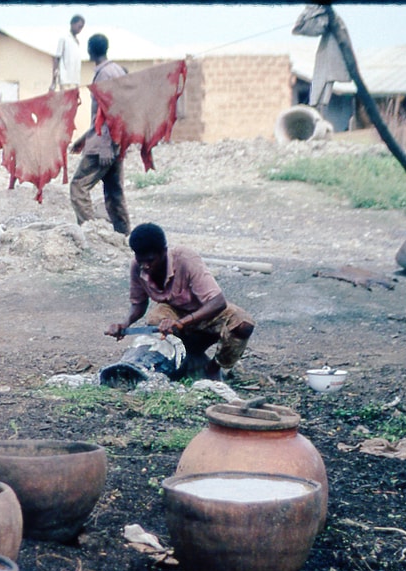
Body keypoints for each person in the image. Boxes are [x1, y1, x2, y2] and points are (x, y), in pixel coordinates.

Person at [106, 222, 255, 380]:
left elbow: (218, 302)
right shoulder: (138, 266)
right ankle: (182, 361)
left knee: (243, 324)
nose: (146, 266)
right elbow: (139, 303)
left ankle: (213, 367)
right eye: (140, 260)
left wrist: (183, 322)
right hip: (173, 309)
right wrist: (125, 323)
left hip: (204, 309)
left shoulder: (186, 258)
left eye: (150, 260)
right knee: (156, 321)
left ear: (163, 252)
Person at [69, 34, 129, 236]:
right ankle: (124, 236)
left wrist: (105, 145)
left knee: (78, 187)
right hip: (115, 140)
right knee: (114, 192)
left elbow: (111, 112)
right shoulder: (117, 70)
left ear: (89, 51)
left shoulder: (104, 75)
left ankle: (91, 233)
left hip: (105, 143)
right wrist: (86, 137)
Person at [51, 15, 85, 91]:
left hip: (75, 80)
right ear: (72, 24)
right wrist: (53, 81)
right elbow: (57, 58)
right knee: (65, 102)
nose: (80, 30)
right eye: (79, 26)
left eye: (82, 28)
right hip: (65, 80)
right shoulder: (64, 38)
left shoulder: (77, 42)